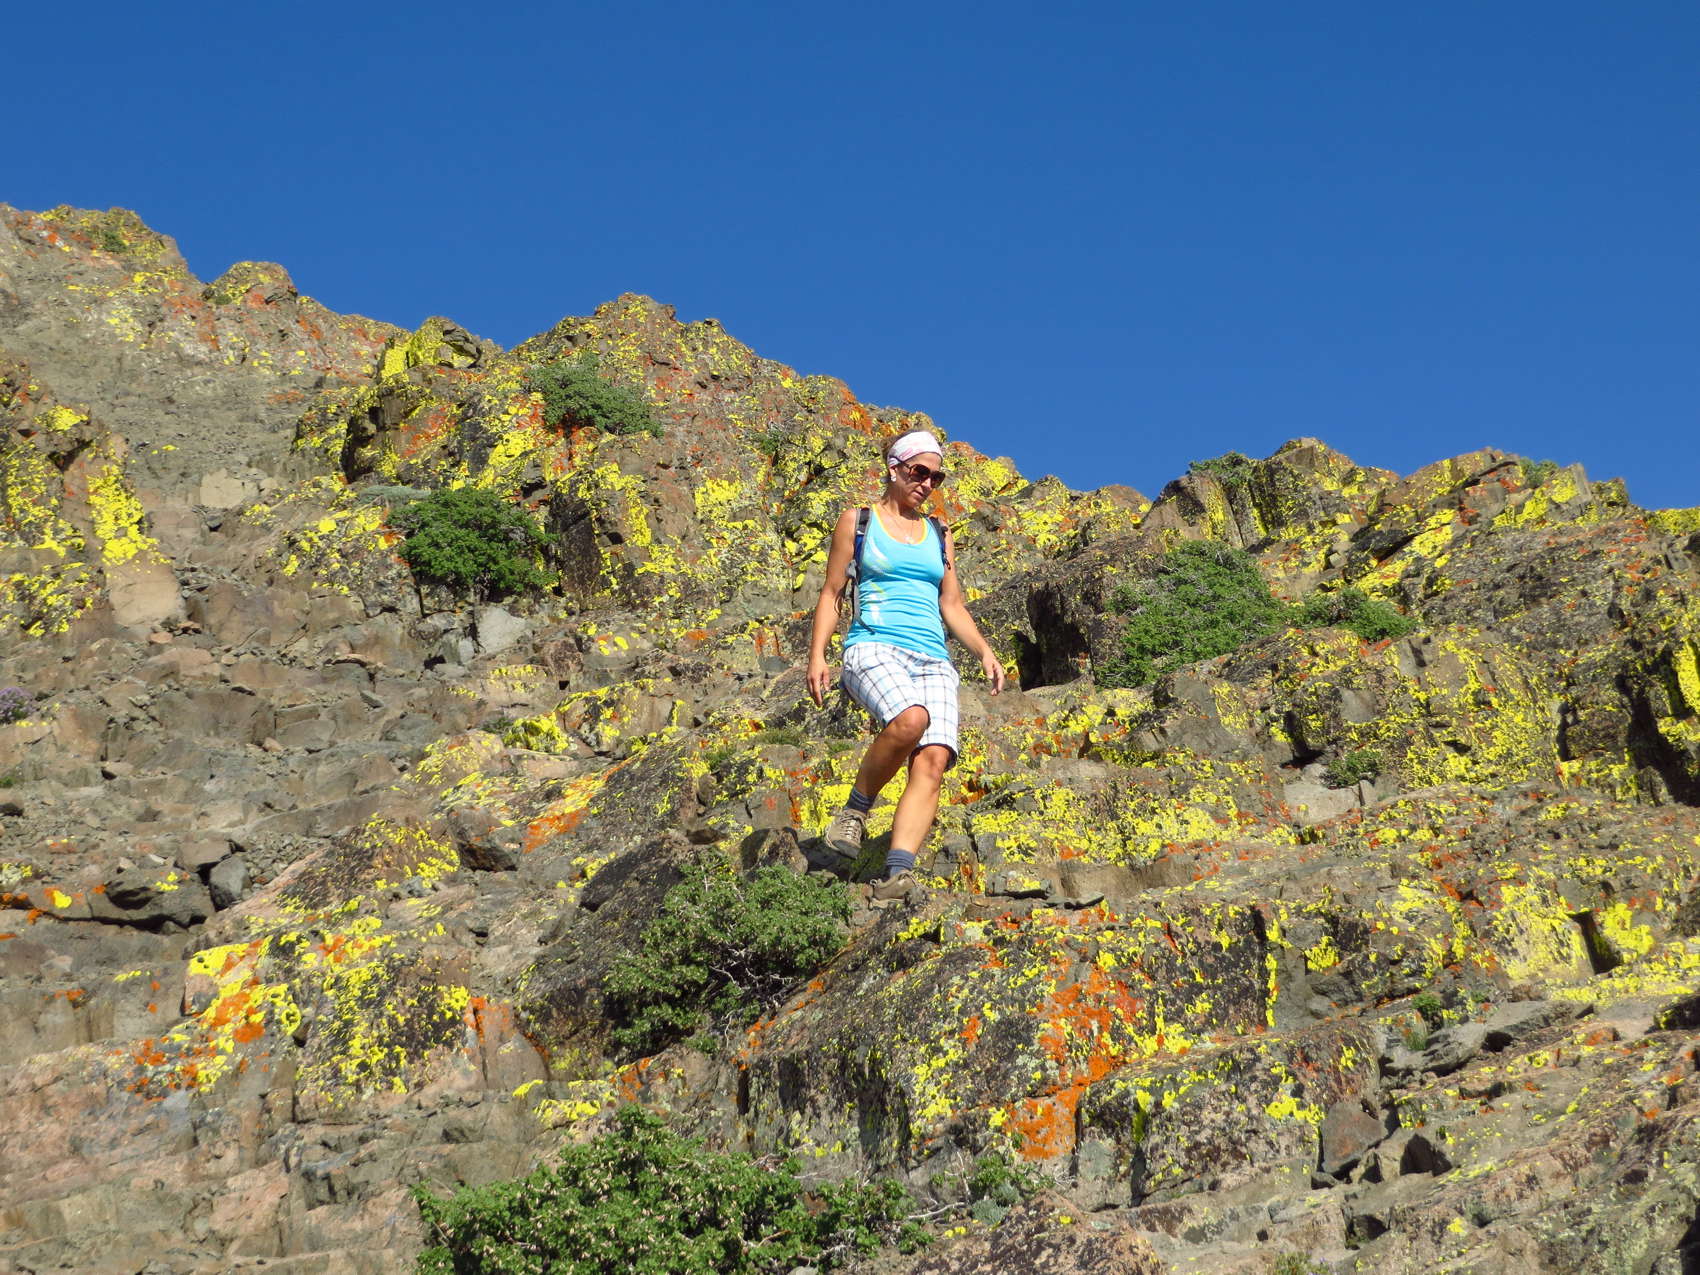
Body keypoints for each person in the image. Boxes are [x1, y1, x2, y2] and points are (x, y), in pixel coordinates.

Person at [806, 429, 1006, 901]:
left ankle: (897, 874)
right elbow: (832, 593)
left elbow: (951, 603)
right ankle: (855, 812)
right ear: (894, 469)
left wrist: (984, 651)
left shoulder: (939, 533)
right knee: (911, 719)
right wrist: (817, 655)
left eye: (936, 477)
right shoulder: (858, 521)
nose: (927, 483)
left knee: (934, 759)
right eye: (919, 472)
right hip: (874, 647)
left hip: (933, 658)